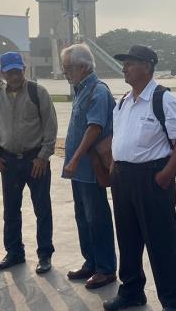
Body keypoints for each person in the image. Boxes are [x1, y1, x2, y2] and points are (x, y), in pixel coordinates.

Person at [104, 44, 176, 311]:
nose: (125, 68)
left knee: (161, 243)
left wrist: (166, 175)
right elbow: (118, 138)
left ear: (147, 66)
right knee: (128, 239)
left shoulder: (163, 99)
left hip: (152, 179)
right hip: (123, 179)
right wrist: (113, 165)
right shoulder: (123, 101)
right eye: (125, 63)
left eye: (130, 63)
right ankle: (131, 291)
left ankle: (172, 301)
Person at [0, 52, 58, 273]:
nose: (15, 76)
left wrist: (43, 156)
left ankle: (45, 254)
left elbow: (50, 127)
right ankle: (14, 252)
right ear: (3, 73)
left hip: (35, 160)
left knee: (42, 208)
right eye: (10, 72)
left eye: (18, 71)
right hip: (9, 162)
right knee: (11, 210)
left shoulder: (37, 92)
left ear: (24, 70)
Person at [60, 44, 117, 289]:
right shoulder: (80, 89)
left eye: (68, 69)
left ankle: (105, 269)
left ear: (83, 67)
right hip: (79, 171)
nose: (66, 74)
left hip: (90, 169)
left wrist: (74, 159)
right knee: (83, 217)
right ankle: (91, 262)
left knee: (97, 218)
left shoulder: (98, 91)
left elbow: (94, 129)